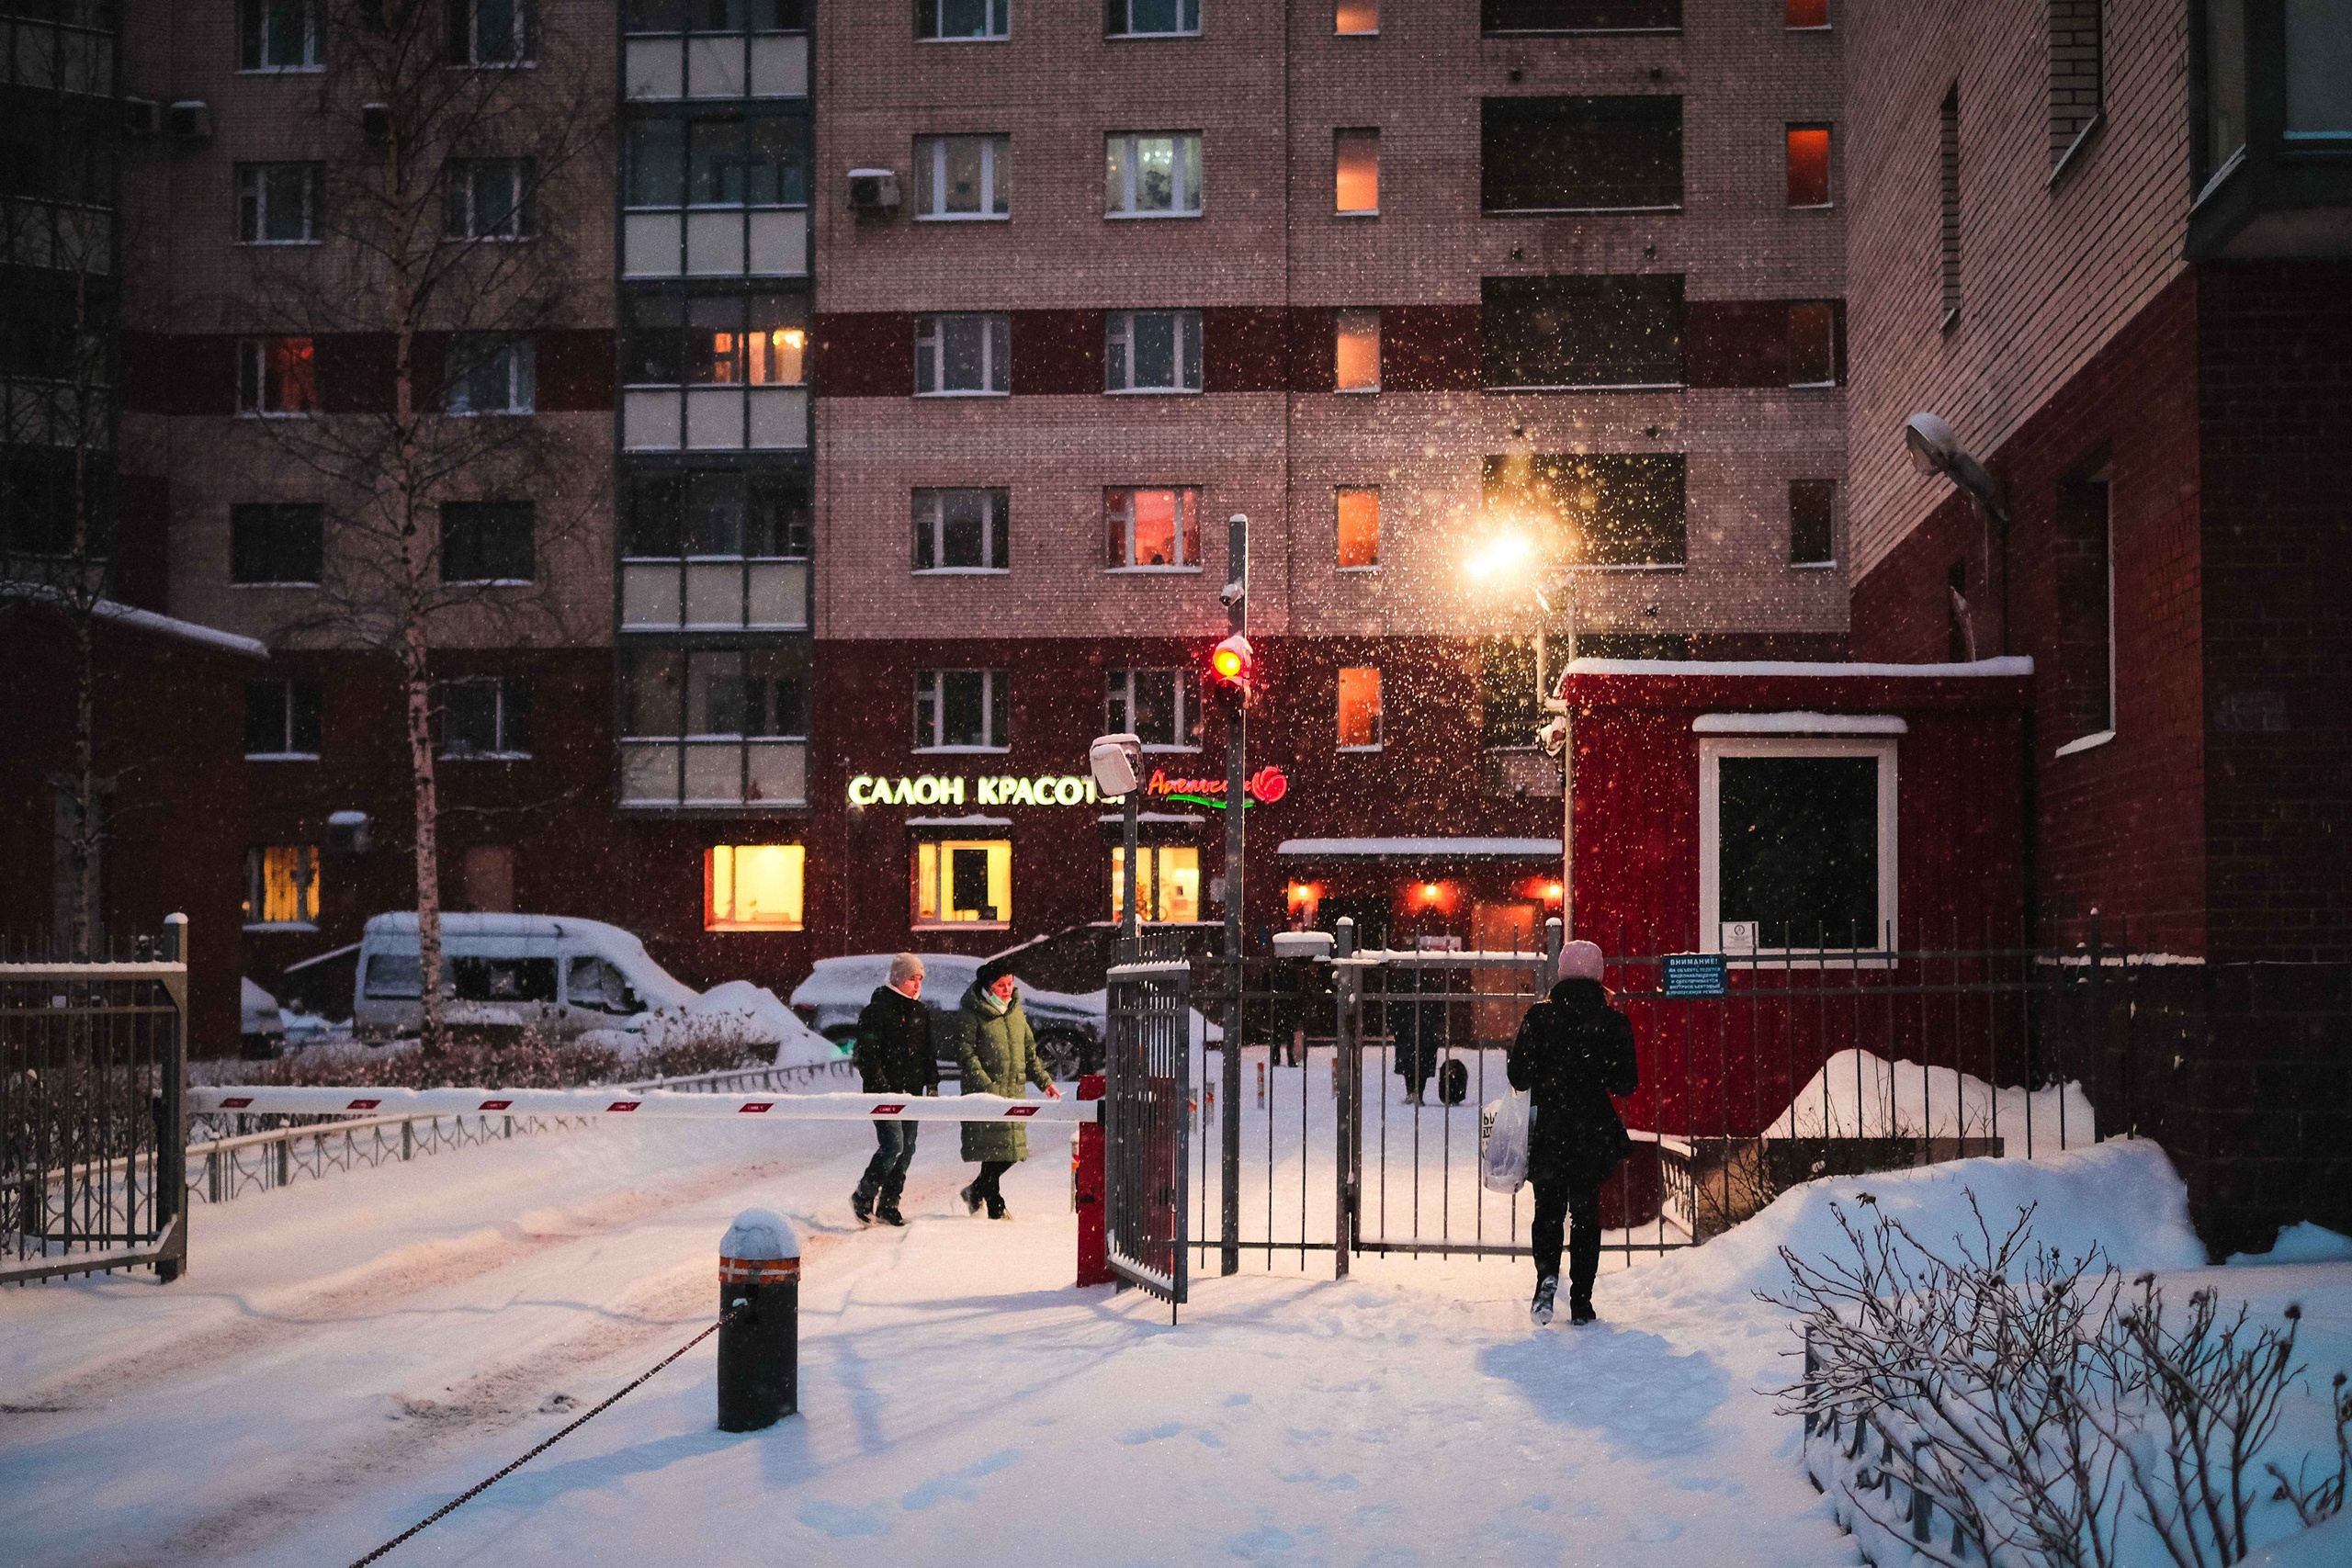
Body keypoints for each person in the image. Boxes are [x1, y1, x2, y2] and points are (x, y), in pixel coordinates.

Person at [1507, 940, 1639, 1327]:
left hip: (1550, 1130)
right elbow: (1626, 1083)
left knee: (1547, 1211)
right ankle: (1581, 1299)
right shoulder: (1613, 1021)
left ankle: (1546, 1279)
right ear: (1599, 976)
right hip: (1592, 1132)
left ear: (1561, 973)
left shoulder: (1539, 1017)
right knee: (1585, 1215)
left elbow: (1519, 1077)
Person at [954, 956, 1061, 1221]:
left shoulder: (1015, 1012)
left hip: (1013, 1092)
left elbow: (1029, 1053)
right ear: (988, 987)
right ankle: (995, 1208)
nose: (1007, 990)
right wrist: (986, 1086)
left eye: (1010, 984)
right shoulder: (972, 1013)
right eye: (1001, 985)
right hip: (985, 1094)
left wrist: (1044, 1082)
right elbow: (966, 1054)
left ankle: (975, 1191)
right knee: (992, 1152)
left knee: (1010, 1152)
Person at [850, 953, 940, 1226]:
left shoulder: (920, 1011)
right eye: (912, 978)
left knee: (908, 1148)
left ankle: (889, 1204)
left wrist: (932, 1082)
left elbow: (927, 1051)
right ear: (898, 978)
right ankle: (864, 1195)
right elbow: (867, 1056)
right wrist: (883, 1088)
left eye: (920, 979)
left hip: (912, 1093)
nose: (917, 984)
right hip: (884, 1093)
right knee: (893, 1145)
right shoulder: (877, 1011)